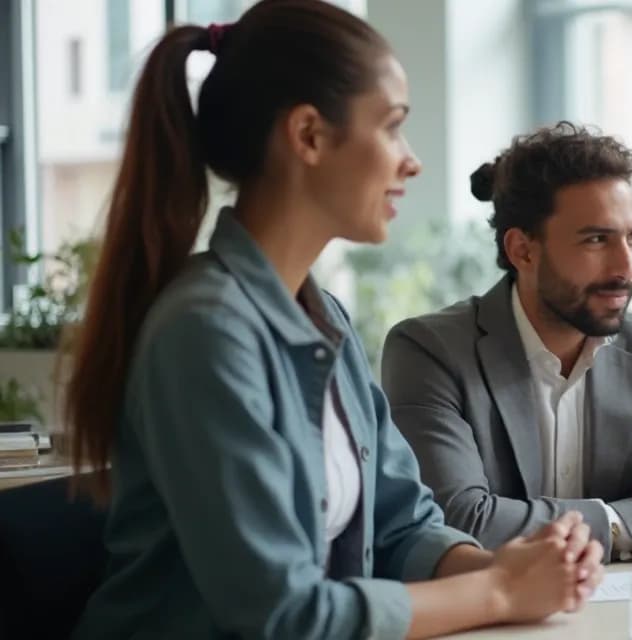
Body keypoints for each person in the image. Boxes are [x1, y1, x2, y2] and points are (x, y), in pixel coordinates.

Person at [63, 2, 600, 637]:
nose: (412, 160)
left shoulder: (324, 319)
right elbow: (283, 616)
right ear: (309, 136)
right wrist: (500, 593)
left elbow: (400, 523)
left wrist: (499, 567)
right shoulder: (205, 333)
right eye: (393, 127)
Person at [383, 122, 632, 559]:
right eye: (596, 239)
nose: (625, 266)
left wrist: (612, 520)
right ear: (523, 250)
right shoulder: (429, 352)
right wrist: (622, 518)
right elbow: (460, 520)